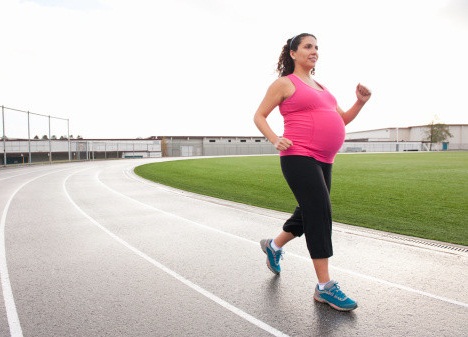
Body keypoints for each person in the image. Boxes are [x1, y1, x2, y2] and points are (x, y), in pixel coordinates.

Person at [253, 33, 372, 311]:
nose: (314, 51)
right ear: (293, 53)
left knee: (308, 212)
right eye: (308, 46)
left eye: (316, 47)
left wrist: (360, 102)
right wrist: (274, 138)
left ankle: (274, 246)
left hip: (324, 159)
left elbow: (341, 119)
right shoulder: (284, 83)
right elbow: (259, 115)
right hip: (298, 155)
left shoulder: (321, 87)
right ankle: (325, 287)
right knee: (319, 211)